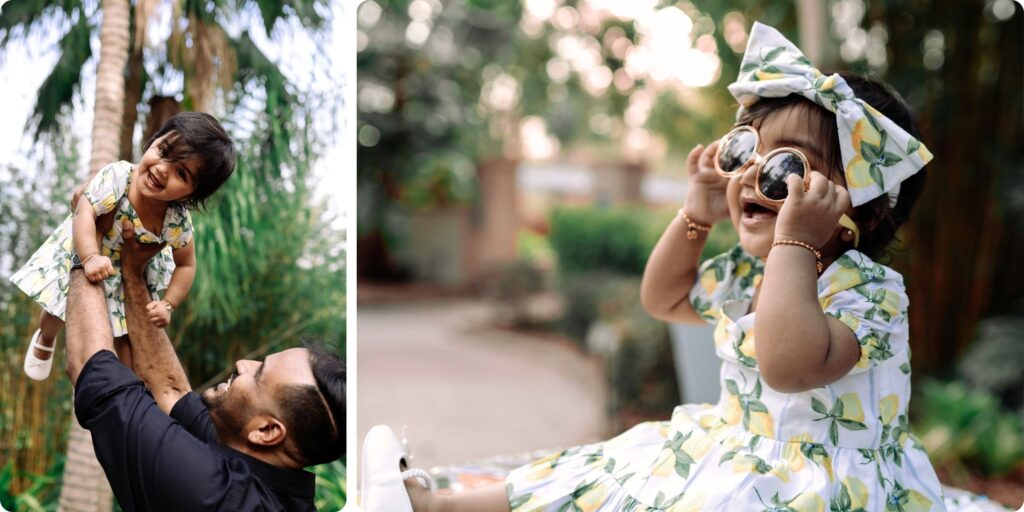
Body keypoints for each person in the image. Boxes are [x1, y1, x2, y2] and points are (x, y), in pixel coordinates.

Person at [361, 22, 1007, 512]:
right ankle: (431, 505)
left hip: (821, 485)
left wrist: (793, 244)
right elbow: (663, 300)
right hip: (732, 446)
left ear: (858, 211)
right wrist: (695, 215)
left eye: (786, 166)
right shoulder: (749, 273)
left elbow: (787, 364)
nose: (752, 173)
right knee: (610, 465)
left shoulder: (870, 293)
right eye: (744, 150)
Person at [65, 219, 347, 511]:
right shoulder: (255, 461)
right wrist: (133, 274)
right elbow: (170, 390)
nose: (242, 364)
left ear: (266, 431)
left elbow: (90, 363)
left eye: (258, 375)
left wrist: (89, 238)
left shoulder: (211, 493)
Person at [12, 112, 235, 381]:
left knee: (125, 336)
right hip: (86, 247)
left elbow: (186, 264)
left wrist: (168, 304)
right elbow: (84, 212)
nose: (163, 169)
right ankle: (45, 338)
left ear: (191, 194)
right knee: (58, 310)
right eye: (164, 152)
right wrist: (90, 256)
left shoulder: (176, 220)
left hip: (127, 278)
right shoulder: (119, 177)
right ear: (152, 141)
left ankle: (123, 386)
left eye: (181, 173)